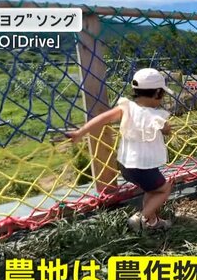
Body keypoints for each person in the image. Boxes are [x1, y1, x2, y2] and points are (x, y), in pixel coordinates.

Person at [67, 68, 174, 231]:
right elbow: (167, 130)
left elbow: (102, 118)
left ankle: (152, 222)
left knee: (151, 190)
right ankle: (141, 218)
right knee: (163, 190)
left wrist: (80, 132)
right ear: (158, 93)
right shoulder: (156, 115)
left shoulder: (126, 108)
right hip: (144, 167)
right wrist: (165, 128)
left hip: (125, 166)